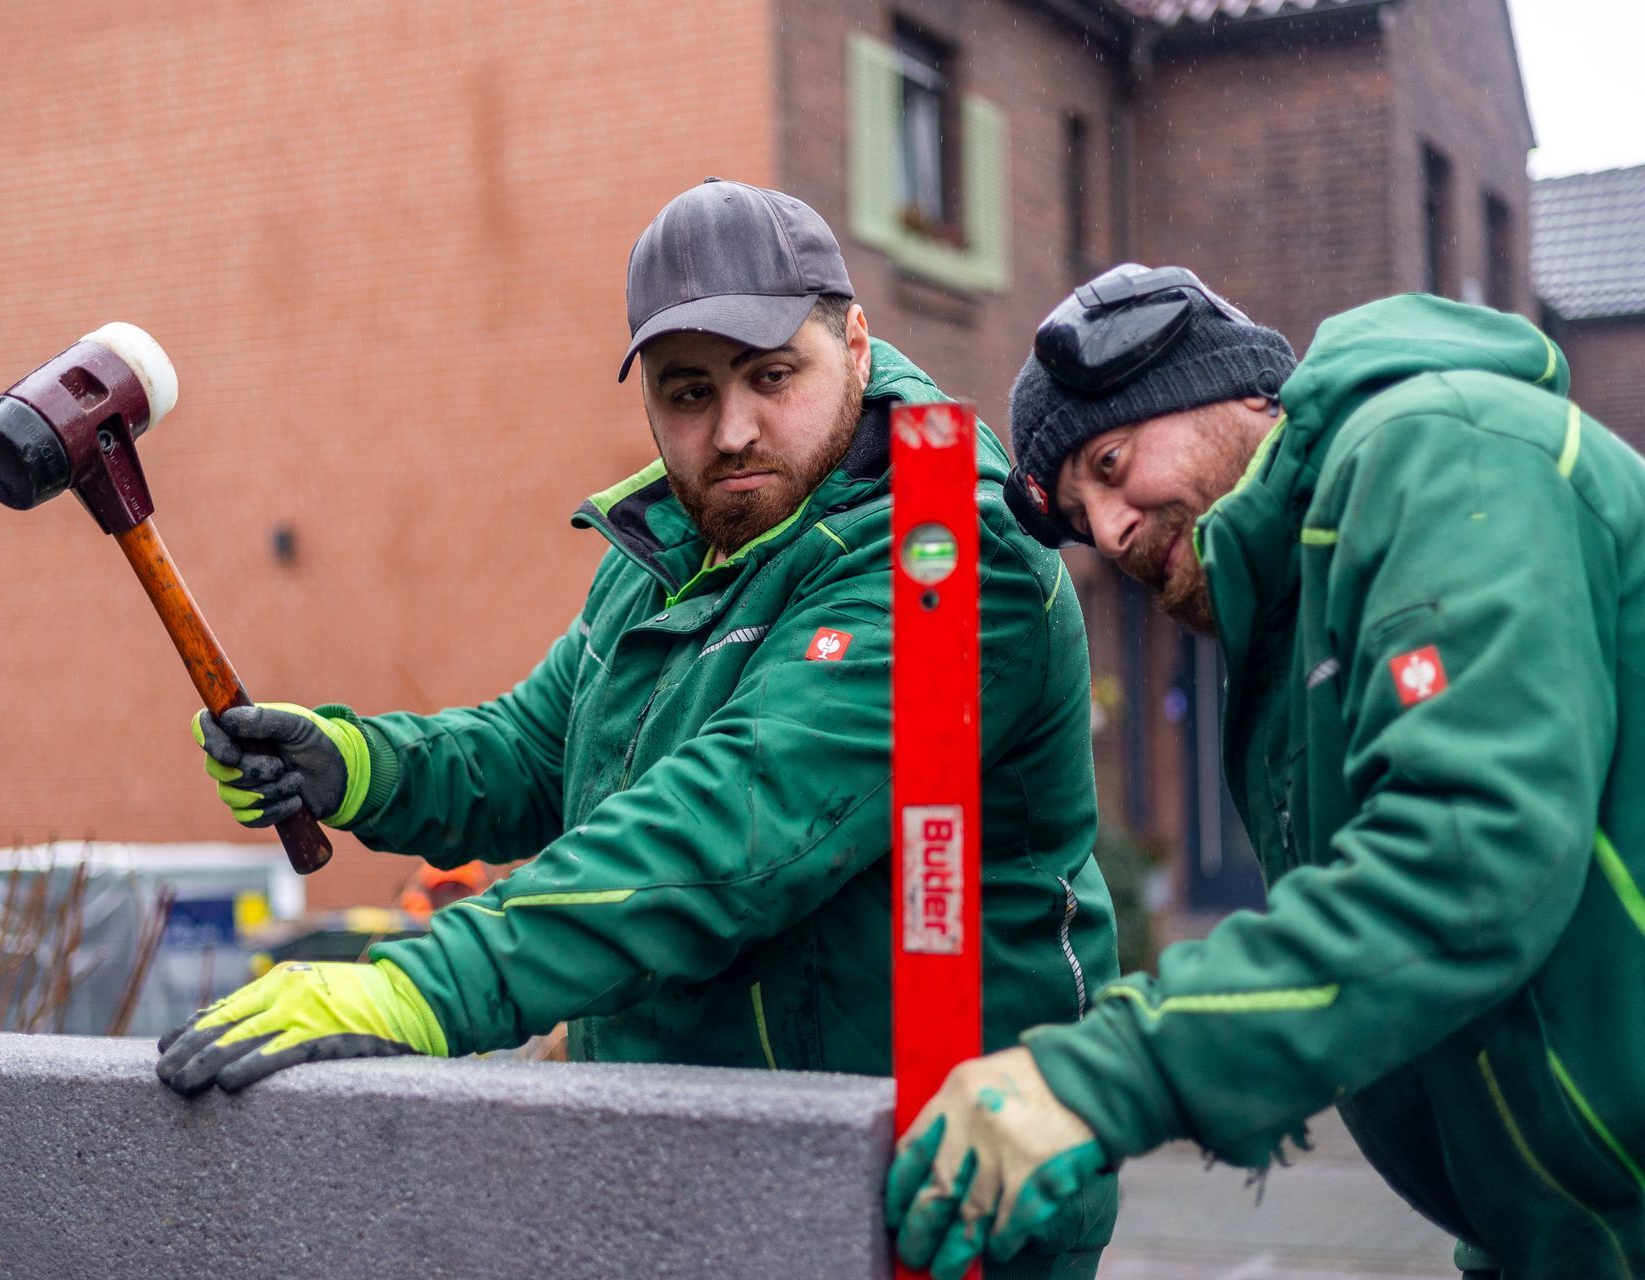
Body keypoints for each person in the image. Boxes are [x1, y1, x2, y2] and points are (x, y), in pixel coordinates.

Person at [158, 178, 1120, 1272]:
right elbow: (532, 751)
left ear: (857, 344)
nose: (734, 429)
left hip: (929, 1202)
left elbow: (731, 831)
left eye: (772, 376)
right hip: (702, 1176)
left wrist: (427, 985)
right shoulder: (674, 547)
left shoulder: (948, 551)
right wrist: (356, 763)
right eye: (689, 393)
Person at [888, 264, 1645, 1279]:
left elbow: (1469, 867)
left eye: (1111, 461)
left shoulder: (1439, 450)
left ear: (1241, 390)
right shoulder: (1281, 640)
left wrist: (1104, 1074)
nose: (1109, 530)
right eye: (1081, 515)